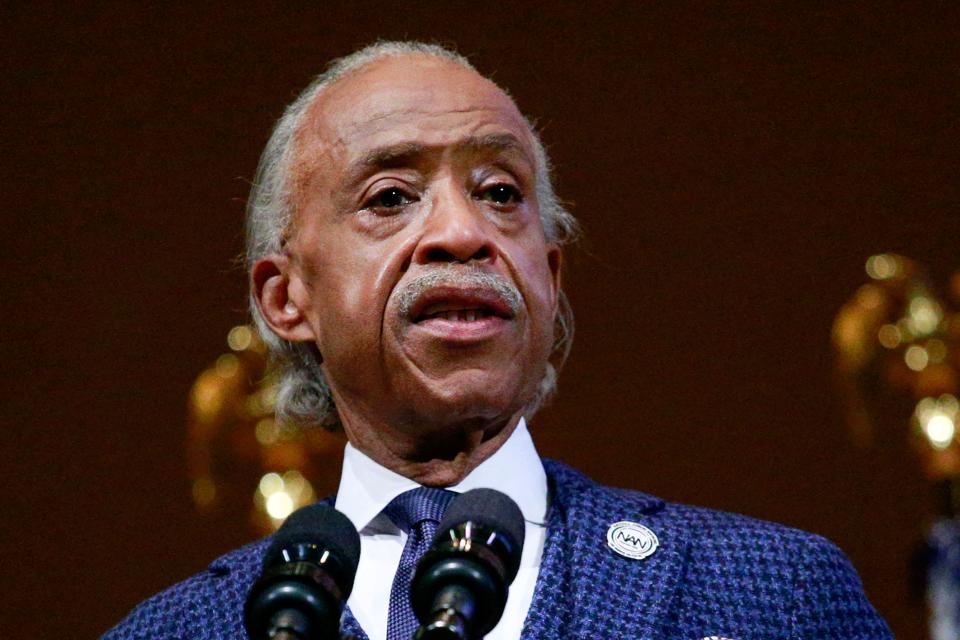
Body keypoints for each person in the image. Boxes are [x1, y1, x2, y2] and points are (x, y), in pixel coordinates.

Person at [104, 41, 891, 639]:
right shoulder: (176, 631)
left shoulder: (772, 593)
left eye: (501, 193)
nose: (461, 232)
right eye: (391, 198)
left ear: (548, 276)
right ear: (286, 298)